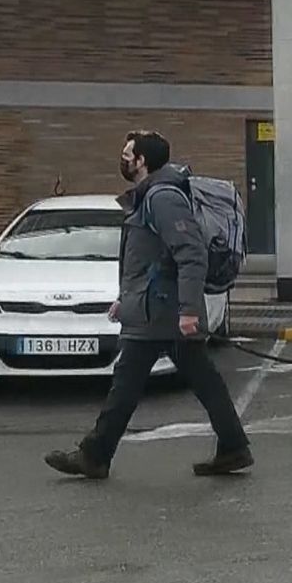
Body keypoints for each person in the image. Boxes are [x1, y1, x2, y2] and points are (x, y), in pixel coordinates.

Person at [44, 131, 252, 479]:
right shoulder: (151, 195)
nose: (123, 159)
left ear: (142, 161)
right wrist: (124, 301)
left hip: (163, 312)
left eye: (127, 154)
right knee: (202, 380)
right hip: (154, 308)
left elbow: (191, 253)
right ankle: (233, 447)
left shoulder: (162, 198)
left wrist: (187, 310)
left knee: (127, 385)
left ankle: (94, 455)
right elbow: (148, 259)